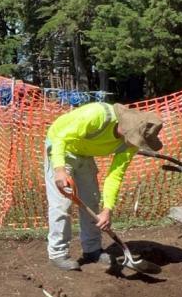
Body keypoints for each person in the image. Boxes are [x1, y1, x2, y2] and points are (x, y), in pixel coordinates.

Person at [45, 102, 164, 271]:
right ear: (125, 128)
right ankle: (57, 253)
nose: (134, 143)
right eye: (134, 138)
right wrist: (59, 170)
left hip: (84, 152)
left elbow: (115, 176)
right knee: (62, 204)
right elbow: (61, 138)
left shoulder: (130, 145)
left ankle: (92, 250)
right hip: (61, 145)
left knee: (92, 200)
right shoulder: (97, 115)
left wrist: (108, 209)